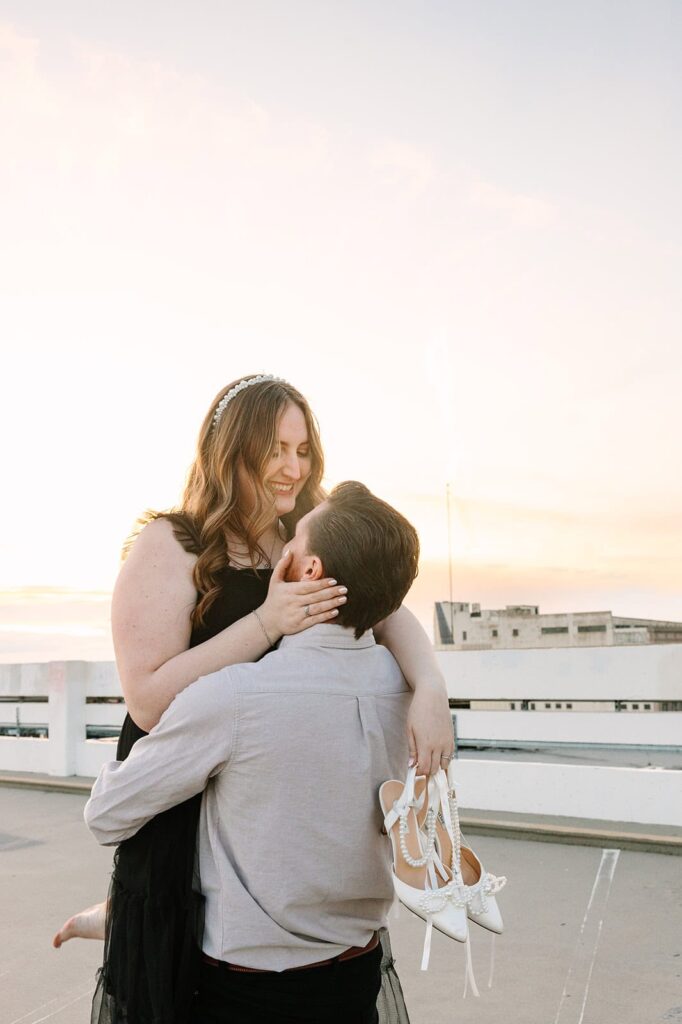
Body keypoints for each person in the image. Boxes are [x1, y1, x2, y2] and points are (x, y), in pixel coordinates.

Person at [55, 374, 453, 1024]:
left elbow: (387, 609)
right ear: (230, 451)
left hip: (265, 798)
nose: (293, 468)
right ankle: (122, 915)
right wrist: (265, 625)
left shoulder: (308, 533)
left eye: (303, 449)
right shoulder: (171, 545)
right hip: (183, 789)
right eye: (276, 449)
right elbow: (150, 702)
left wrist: (429, 686)